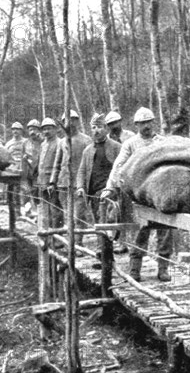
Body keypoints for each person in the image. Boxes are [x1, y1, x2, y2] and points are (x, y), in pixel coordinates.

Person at [101, 107, 173, 282]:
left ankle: (163, 269)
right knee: (141, 231)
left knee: (165, 232)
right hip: (140, 195)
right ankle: (135, 270)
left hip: (161, 194)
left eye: (148, 122)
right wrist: (110, 187)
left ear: (153, 122)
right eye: (141, 123)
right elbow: (118, 166)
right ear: (136, 125)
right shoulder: (131, 144)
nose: (146, 126)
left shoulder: (163, 142)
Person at [76, 114, 122, 257]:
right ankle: (101, 247)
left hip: (110, 191)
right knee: (98, 219)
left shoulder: (116, 147)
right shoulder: (88, 150)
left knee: (110, 218)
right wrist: (80, 187)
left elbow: (122, 168)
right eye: (94, 127)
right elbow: (82, 170)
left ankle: (114, 245)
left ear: (106, 129)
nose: (97, 131)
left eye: (100, 127)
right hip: (93, 191)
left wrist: (114, 188)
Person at [50, 110, 92, 247]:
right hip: (63, 183)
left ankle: (78, 244)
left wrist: (87, 183)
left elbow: (90, 164)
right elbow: (57, 163)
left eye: (73, 119)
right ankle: (69, 243)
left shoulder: (86, 140)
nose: (70, 123)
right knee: (67, 215)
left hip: (79, 185)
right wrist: (53, 181)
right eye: (67, 120)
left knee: (78, 216)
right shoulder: (62, 142)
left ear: (77, 121)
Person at [37, 117, 63, 229]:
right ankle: (47, 234)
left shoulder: (59, 143)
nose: (46, 131)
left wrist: (53, 181)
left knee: (55, 209)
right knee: (44, 209)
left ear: (55, 129)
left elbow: (58, 164)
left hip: (53, 182)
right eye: (44, 129)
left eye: (49, 128)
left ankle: (57, 237)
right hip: (42, 181)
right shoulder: (43, 144)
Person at [22, 119, 43, 216]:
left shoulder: (43, 141)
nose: (32, 132)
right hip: (29, 171)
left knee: (38, 192)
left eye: (34, 129)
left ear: (39, 130)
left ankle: (40, 213)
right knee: (27, 192)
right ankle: (29, 211)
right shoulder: (26, 143)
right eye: (30, 130)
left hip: (40, 172)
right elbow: (24, 155)